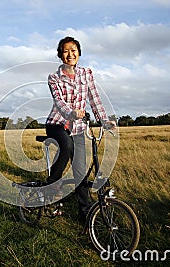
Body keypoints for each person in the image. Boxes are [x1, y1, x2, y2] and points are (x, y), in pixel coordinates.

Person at [45, 36, 116, 222]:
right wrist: (71, 113)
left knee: (80, 171)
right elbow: (59, 101)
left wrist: (104, 121)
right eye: (66, 50)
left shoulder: (86, 74)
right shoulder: (54, 77)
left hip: (77, 128)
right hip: (57, 124)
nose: (71, 53)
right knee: (66, 145)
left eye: (74, 49)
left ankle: (85, 211)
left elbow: (94, 99)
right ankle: (52, 186)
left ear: (79, 52)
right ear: (60, 55)